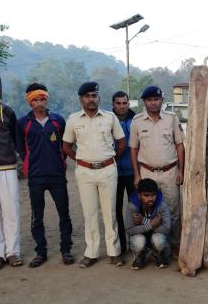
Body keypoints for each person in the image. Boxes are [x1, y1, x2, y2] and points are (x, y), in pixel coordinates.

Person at [62, 81, 125, 268]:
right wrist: (81, 161)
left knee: (110, 212)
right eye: (87, 96)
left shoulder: (109, 117)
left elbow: (121, 143)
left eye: (94, 95)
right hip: (85, 172)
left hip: (107, 170)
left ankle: (114, 252)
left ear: (99, 98)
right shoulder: (73, 120)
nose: (91, 99)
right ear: (81, 99)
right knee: (89, 213)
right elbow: (66, 146)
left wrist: (110, 159)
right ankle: (91, 253)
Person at [16, 83, 73, 267]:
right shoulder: (23, 123)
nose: (40, 103)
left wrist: (60, 162)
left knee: (64, 214)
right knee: (37, 216)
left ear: (47, 99)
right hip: (36, 177)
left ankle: (66, 250)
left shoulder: (57, 120)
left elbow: (65, 145)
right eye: (35, 100)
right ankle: (41, 252)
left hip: (57, 175)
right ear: (29, 102)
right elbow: (20, 148)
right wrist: (29, 164)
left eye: (42, 99)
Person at [129, 85, 185, 258]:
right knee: (147, 210)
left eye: (156, 99)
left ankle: (174, 244)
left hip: (170, 172)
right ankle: (152, 246)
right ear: (144, 102)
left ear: (162, 100)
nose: (153, 103)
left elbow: (179, 145)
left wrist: (181, 170)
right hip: (147, 173)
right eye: (149, 100)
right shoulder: (137, 121)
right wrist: (137, 174)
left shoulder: (171, 118)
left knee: (174, 211)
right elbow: (133, 149)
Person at [0, 78, 22, 270]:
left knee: (11, 210)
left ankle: (12, 252)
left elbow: (16, 138)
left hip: (6, 167)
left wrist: (18, 162)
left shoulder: (7, 111)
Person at [126, 178, 171, 269]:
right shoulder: (132, 206)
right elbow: (129, 230)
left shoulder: (162, 205)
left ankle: (159, 255)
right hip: (141, 238)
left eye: (153, 195)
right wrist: (150, 224)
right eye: (146, 195)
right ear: (139, 195)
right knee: (138, 241)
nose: (150, 199)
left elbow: (167, 228)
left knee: (159, 240)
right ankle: (139, 256)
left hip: (155, 237)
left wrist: (143, 221)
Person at [112, 91, 135, 254]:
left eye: (124, 103)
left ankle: (136, 244)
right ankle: (121, 245)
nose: (122, 106)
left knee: (135, 208)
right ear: (113, 105)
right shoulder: (107, 120)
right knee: (116, 210)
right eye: (118, 103)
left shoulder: (136, 120)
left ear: (128, 104)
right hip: (113, 174)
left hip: (133, 172)